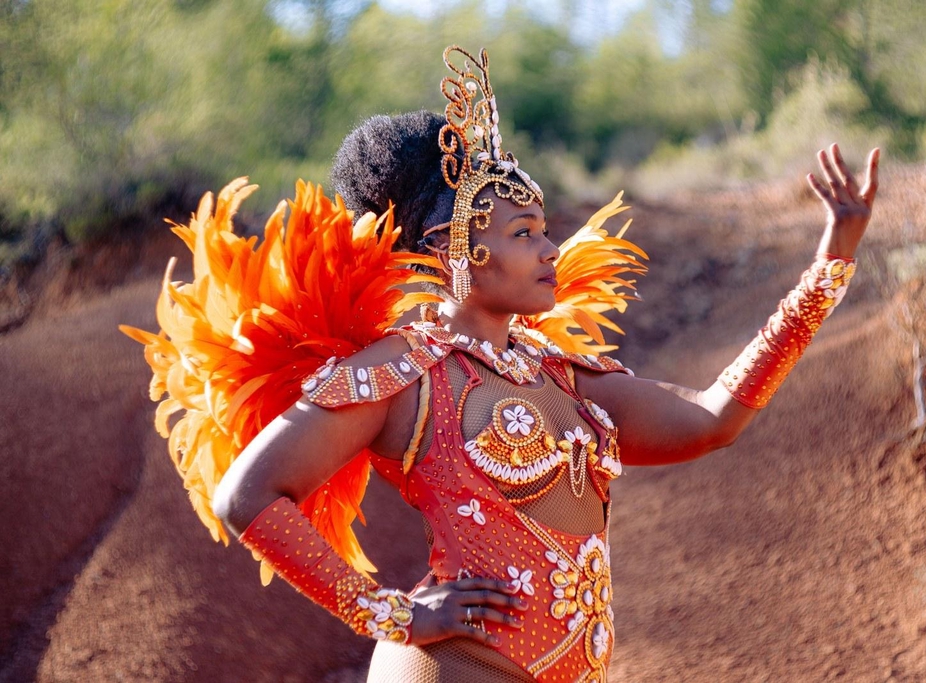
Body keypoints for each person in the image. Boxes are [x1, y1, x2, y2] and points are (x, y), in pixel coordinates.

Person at [170, 46, 878, 682]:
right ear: (456, 247)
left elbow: (712, 419)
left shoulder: (560, 372)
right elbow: (248, 496)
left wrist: (830, 266)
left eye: (545, 230)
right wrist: (392, 616)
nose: (549, 250)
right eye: (524, 232)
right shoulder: (401, 370)